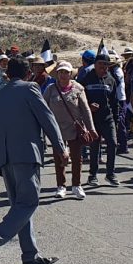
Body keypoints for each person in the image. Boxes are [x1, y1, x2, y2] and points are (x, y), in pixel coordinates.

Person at [0, 56, 68, 264]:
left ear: (7, 73)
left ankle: (30, 255)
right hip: (26, 154)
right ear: (29, 73)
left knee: (20, 206)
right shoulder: (30, 89)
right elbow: (47, 118)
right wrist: (59, 146)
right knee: (28, 203)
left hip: (5, 157)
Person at [43, 61, 96, 200]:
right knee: (59, 158)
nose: (63, 75)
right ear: (57, 74)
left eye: (66, 72)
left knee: (77, 158)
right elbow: (43, 109)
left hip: (75, 129)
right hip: (57, 130)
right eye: (61, 72)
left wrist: (91, 128)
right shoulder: (50, 89)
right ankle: (61, 186)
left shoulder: (78, 88)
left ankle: (76, 186)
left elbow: (85, 110)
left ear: (70, 74)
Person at [81, 54, 121, 186]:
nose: (103, 67)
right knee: (95, 146)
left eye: (106, 64)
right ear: (95, 64)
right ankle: (92, 175)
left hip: (108, 118)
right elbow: (80, 99)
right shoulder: (86, 79)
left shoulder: (111, 80)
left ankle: (110, 174)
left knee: (113, 143)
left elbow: (115, 102)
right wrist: (89, 106)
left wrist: (116, 119)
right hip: (92, 119)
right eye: (100, 64)